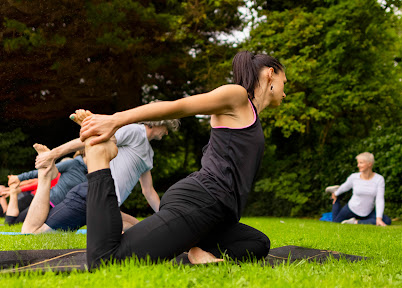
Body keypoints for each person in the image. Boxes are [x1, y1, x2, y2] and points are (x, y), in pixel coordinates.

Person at [67, 51, 287, 268]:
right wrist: (115, 121)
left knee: (258, 243)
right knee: (106, 260)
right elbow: (179, 106)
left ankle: (197, 248)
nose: (285, 93)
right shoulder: (237, 97)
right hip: (200, 202)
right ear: (270, 73)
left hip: (218, 216)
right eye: (284, 82)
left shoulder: (251, 117)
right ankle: (99, 155)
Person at [21, 117, 179, 234]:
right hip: (92, 196)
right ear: (158, 122)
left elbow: (148, 190)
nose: (166, 132)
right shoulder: (133, 131)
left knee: (139, 230)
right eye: (166, 128)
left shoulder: (148, 153)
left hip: (107, 203)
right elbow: (92, 141)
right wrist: (53, 154)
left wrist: (164, 215)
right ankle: (45, 175)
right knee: (32, 233)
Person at [3, 151, 86, 225]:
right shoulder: (73, 164)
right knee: (13, 223)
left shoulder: (94, 172)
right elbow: (42, 174)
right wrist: (19, 178)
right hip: (48, 202)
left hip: (64, 209)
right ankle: (13, 192)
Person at [327, 152, 392, 226]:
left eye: (361, 163)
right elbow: (345, 187)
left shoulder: (379, 179)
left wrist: (379, 218)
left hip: (367, 212)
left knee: (386, 221)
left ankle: (355, 222)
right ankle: (335, 194)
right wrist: (335, 194)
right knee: (336, 222)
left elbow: (379, 199)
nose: (358, 165)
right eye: (358, 163)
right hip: (351, 208)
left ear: (369, 164)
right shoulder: (354, 177)